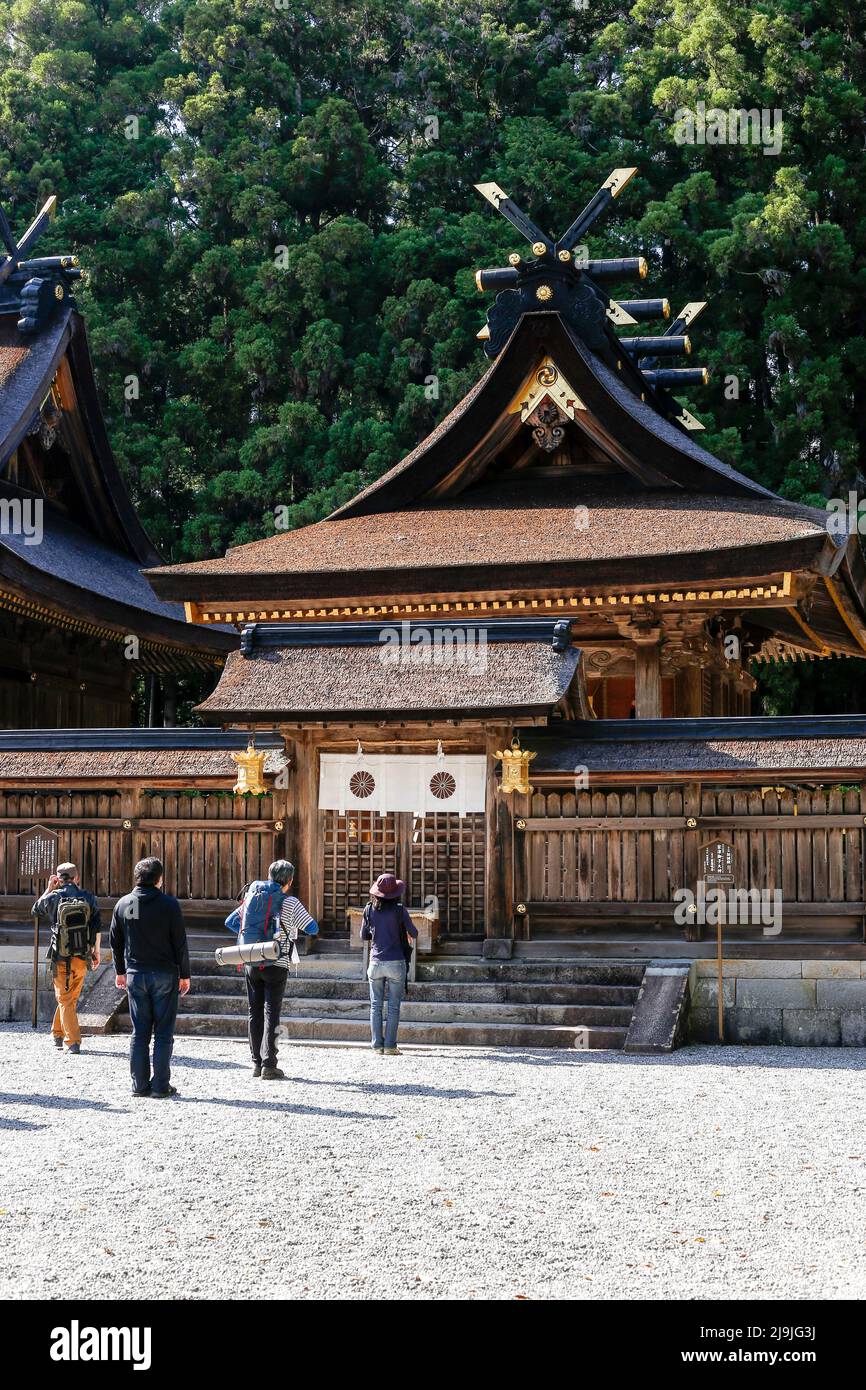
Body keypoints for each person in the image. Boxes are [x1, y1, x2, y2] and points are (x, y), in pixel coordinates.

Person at [228, 860, 318, 1080]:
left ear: (268, 876)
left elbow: (230, 921)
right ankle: (270, 1064)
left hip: (251, 960)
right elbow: (313, 927)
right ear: (289, 880)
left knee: (254, 1011)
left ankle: (256, 1063)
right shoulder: (291, 902)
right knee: (271, 1012)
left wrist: (251, 938)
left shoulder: (252, 897)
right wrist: (289, 929)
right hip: (277, 962)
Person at [110, 857, 190, 1098]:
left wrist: (120, 971)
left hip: (135, 974)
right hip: (164, 974)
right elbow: (180, 943)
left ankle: (140, 1085)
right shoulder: (168, 905)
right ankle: (160, 1086)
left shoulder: (124, 904)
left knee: (140, 1031)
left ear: (136, 878)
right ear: (159, 879)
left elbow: (115, 942)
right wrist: (184, 974)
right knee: (164, 1032)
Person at [33, 862, 102, 1055]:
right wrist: (96, 952)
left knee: (65, 999)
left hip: (60, 956)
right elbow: (97, 927)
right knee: (69, 998)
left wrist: (48, 889)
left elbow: (35, 910)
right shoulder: (88, 897)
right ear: (76, 878)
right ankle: (57, 1033)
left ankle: (72, 1042)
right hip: (82, 955)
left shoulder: (54, 897)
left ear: (57, 878)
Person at [361, 873, 417, 1056]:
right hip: (396, 962)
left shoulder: (369, 909)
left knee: (375, 1005)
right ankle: (391, 1045)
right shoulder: (399, 910)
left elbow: (364, 936)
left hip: (376, 962)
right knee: (393, 1006)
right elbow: (414, 932)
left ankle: (377, 1045)